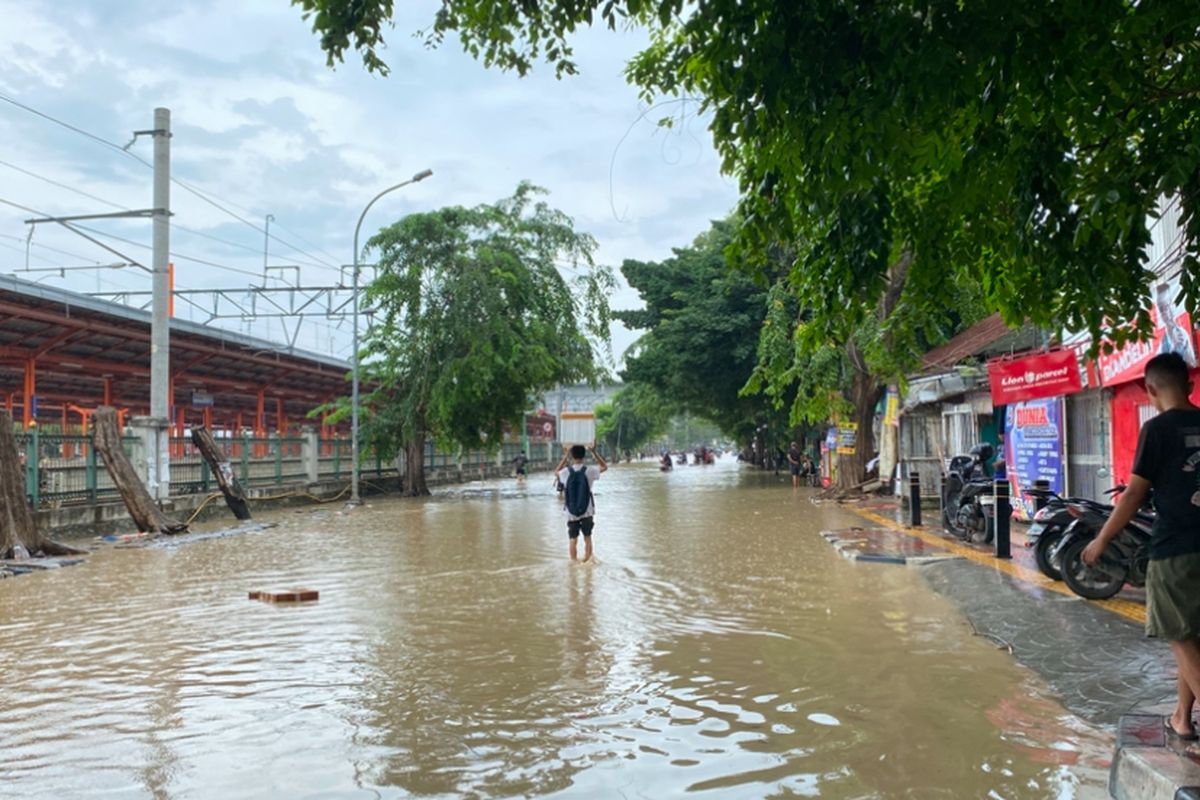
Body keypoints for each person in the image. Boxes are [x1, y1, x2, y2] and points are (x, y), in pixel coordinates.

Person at [1083, 353, 1200, 740]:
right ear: (1190, 385)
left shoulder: (1158, 429)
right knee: (1193, 635)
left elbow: (1134, 492)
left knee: (1178, 634)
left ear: (1150, 390)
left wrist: (1102, 538)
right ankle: (1182, 718)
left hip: (1174, 548)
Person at [554, 443, 608, 562]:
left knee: (573, 539)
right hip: (587, 511)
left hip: (571, 512)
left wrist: (565, 454)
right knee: (587, 537)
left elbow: (556, 472)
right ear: (584, 456)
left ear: (572, 456)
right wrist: (594, 452)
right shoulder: (589, 470)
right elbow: (604, 467)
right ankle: (587, 562)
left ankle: (573, 564)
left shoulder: (565, 472)